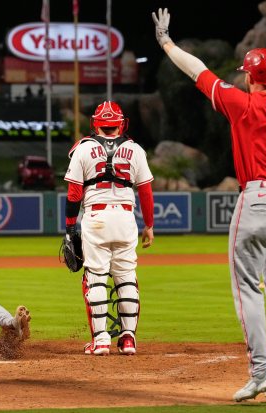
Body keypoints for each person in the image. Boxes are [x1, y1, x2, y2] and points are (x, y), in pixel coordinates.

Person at [153, 6, 266, 401]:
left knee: (247, 287)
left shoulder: (242, 104)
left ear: (252, 77)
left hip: (257, 199)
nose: (241, 75)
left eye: (245, 72)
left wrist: (167, 42)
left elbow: (198, 71)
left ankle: (261, 372)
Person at [64, 101, 155, 356]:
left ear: (95, 123)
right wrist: (149, 225)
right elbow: (146, 191)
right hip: (126, 219)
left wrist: (70, 228)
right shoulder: (135, 149)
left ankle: (101, 340)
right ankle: (128, 340)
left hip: (96, 217)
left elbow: (73, 193)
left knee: (96, 277)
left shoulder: (83, 149)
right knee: (126, 276)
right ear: (121, 123)